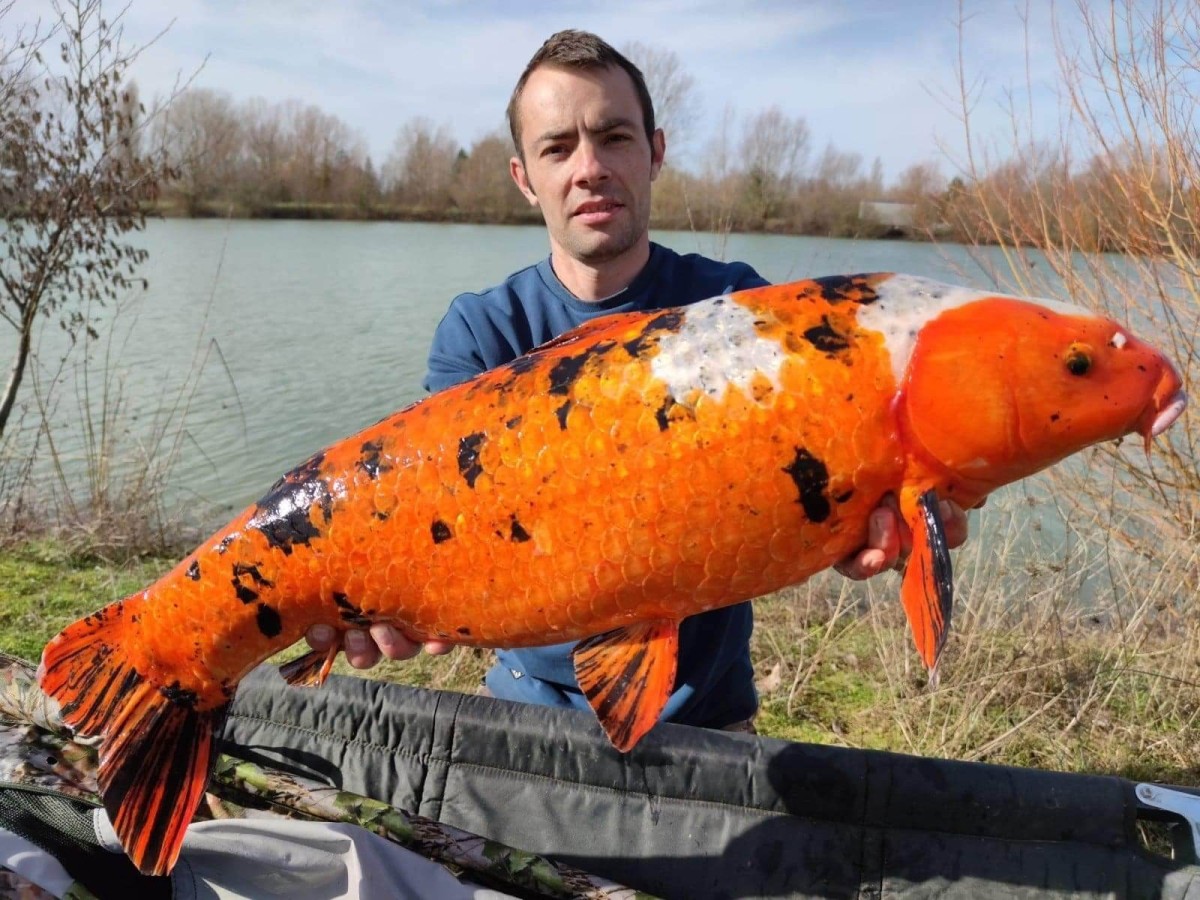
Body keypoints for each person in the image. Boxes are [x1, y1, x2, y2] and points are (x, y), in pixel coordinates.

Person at [306, 29, 969, 731]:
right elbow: (423, 517)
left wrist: (876, 525)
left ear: (654, 152)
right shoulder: (483, 332)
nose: (588, 167)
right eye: (557, 147)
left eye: (613, 137)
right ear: (524, 178)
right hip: (521, 712)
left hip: (709, 719)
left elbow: (811, 491)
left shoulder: (741, 313)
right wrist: (371, 598)